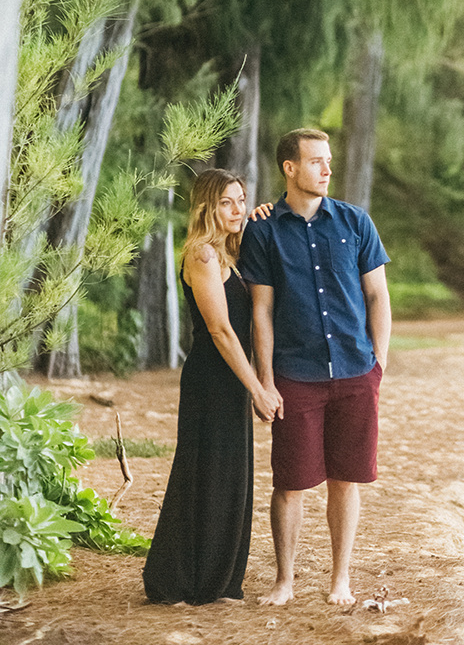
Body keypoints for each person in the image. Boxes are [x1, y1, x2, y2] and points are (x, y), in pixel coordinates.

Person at [238, 128, 391, 607]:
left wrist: (378, 365)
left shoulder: (354, 221)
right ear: (290, 167)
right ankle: (284, 581)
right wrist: (265, 378)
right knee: (290, 483)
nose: (327, 170)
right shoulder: (263, 230)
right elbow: (260, 310)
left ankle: (339, 580)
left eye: (328, 161)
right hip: (295, 373)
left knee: (345, 481)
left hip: (354, 370)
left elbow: (377, 296)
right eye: (316, 161)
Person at [142, 168, 275, 605]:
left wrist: (259, 217)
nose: (236, 209)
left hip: (231, 378)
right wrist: (257, 388)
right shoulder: (202, 255)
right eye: (226, 202)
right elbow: (220, 331)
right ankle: (179, 579)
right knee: (205, 474)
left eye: (241, 200)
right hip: (211, 378)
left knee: (228, 476)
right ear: (206, 207)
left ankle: (217, 579)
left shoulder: (228, 254)